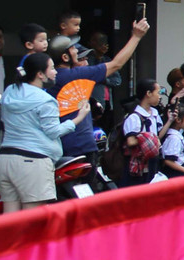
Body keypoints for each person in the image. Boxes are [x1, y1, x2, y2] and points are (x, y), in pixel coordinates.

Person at [49, 13, 150, 160]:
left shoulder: (51, 77)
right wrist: (136, 36)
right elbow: (116, 64)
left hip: (59, 146)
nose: (77, 50)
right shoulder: (77, 75)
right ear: (65, 57)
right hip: (81, 146)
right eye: (73, 49)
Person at [0, 52, 86, 214]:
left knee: (10, 218)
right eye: (51, 68)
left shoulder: (10, 91)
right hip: (33, 161)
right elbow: (53, 132)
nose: (55, 72)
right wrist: (78, 118)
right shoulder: (46, 100)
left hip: (6, 159)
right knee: (33, 218)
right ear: (40, 74)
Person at [118, 80, 171, 186]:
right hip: (139, 164)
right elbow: (131, 141)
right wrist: (147, 138)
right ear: (148, 93)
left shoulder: (154, 113)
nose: (159, 96)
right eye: (157, 93)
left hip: (153, 160)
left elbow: (158, 136)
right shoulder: (134, 117)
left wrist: (170, 121)